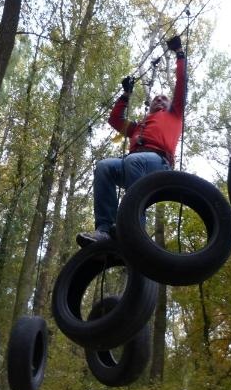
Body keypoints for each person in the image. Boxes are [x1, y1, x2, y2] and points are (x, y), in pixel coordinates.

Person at [76, 35, 187, 247]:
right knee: (104, 166)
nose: (159, 99)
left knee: (132, 161)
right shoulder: (139, 127)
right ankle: (104, 230)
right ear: (150, 106)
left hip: (159, 164)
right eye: (156, 99)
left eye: (164, 98)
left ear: (170, 104)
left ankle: (133, 225)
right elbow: (115, 120)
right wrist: (125, 94)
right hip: (133, 164)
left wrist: (179, 53)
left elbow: (182, 84)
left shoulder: (174, 115)